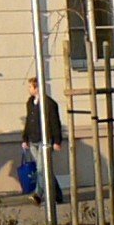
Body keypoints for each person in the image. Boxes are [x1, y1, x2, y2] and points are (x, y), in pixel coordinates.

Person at [23, 77, 67, 207]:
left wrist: (57, 141)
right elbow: (28, 121)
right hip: (33, 140)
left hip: (45, 140)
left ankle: (38, 195)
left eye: (30, 87)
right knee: (45, 169)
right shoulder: (30, 102)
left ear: (37, 88)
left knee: (41, 169)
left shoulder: (49, 103)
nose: (29, 89)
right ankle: (58, 194)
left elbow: (55, 123)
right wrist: (25, 138)